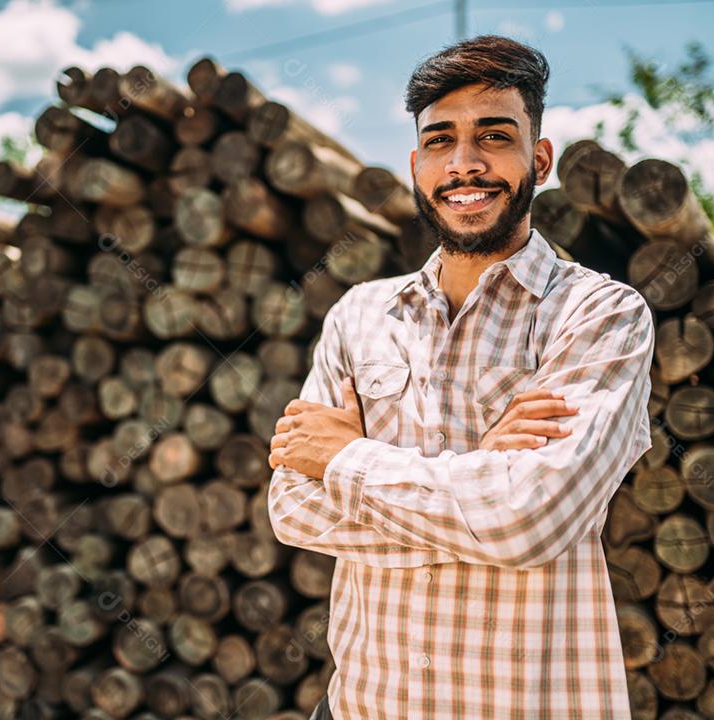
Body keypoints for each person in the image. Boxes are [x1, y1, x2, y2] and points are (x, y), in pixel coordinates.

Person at [269, 34, 654, 720]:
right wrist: (481, 470)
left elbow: (528, 521)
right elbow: (292, 508)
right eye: (441, 140)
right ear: (417, 164)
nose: (465, 164)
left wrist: (346, 458)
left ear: (539, 159)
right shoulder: (361, 315)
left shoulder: (602, 313)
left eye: (493, 136)